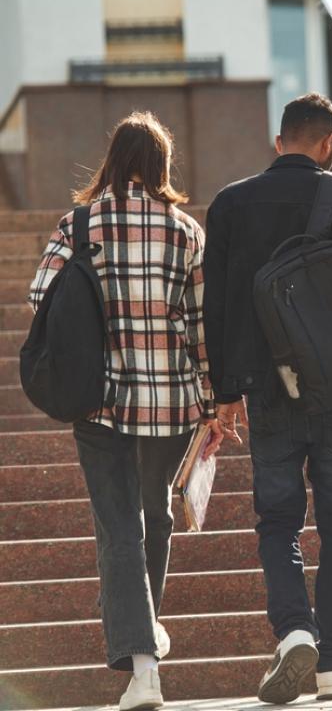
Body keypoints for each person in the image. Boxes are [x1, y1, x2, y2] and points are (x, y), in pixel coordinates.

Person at [28, 111, 221, 711]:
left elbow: (42, 297)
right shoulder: (186, 230)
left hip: (100, 398)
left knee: (120, 528)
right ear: (160, 165)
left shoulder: (79, 223)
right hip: (170, 399)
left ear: (113, 159)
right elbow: (202, 326)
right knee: (153, 517)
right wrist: (214, 405)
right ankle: (144, 647)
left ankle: (143, 667)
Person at [202, 93, 332, 704]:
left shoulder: (229, 203)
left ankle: (294, 632)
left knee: (278, 522)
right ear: (331, 144)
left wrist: (225, 394)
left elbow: (218, 306)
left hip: (266, 389)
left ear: (278, 142)